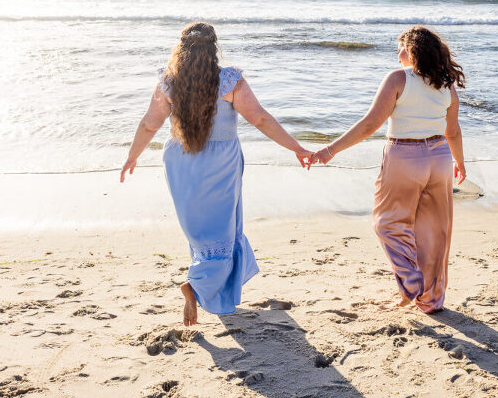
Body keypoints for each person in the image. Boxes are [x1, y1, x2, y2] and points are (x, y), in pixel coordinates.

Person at [121, 21, 313, 326]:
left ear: (181, 50)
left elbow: (149, 124)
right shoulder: (229, 81)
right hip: (220, 164)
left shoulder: (169, 83)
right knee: (223, 232)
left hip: (181, 163)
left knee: (202, 234)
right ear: (214, 48)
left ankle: (206, 288)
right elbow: (261, 119)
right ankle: (196, 287)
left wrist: (132, 157)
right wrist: (296, 148)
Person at [312, 26, 466, 313]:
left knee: (387, 223)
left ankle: (411, 284)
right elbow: (453, 132)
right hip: (441, 158)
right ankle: (431, 300)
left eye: (401, 47)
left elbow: (371, 124)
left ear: (412, 51)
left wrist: (330, 149)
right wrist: (459, 162)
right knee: (435, 231)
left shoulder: (398, 78)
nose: (398, 54)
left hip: (405, 157)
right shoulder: (446, 83)